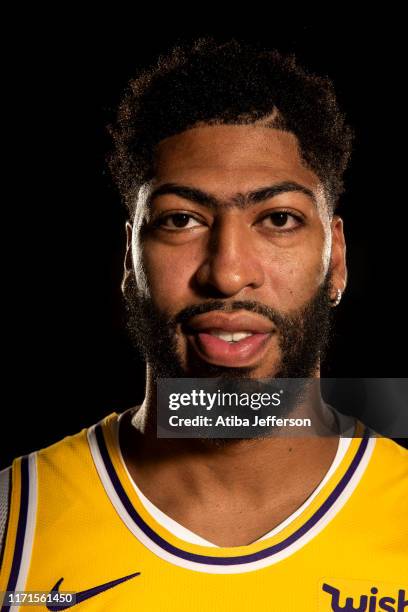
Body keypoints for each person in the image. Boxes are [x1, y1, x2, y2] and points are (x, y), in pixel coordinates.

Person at [0, 39, 406, 612]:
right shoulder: (13, 516)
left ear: (335, 259)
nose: (227, 272)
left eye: (279, 218)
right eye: (181, 219)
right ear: (128, 260)